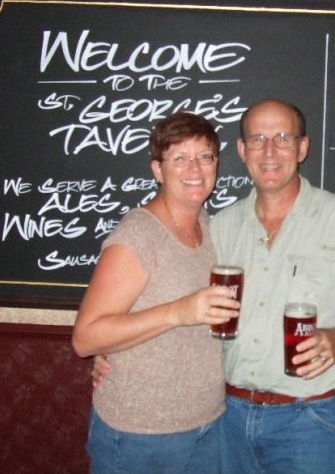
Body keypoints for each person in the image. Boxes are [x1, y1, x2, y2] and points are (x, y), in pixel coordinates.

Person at [210, 99, 335, 474]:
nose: (269, 151)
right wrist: (121, 355)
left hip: (310, 420)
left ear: (303, 148)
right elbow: (184, 306)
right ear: (241, 150)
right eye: (257, 139)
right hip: (227, 418)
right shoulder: (220, 227)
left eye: (283, 138)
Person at [72, 112, 240, 474]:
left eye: (205, 156)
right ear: (158, 170)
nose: (194, 167)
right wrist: (178, 312)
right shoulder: (139, 234)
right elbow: (85, 338)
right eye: (179, 157)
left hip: (208, 422)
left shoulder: (210, 226)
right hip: (139, 433)